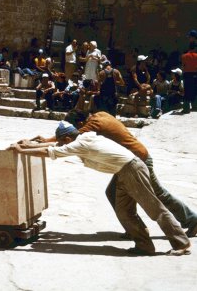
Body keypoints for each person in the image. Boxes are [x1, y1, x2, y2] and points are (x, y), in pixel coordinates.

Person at [10, 121, 191, 256]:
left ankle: (181, 244)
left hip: (132, 169)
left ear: (67, 138)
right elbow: (56, 146)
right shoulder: (83, 138)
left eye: (63, 141)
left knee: (153, 207)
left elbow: (52, 152)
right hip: (123, 171)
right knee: (124, 211)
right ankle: (144, 246)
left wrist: (21, 150)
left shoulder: (80, 144)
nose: (62, 144)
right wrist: (29, 145)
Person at [181, 42, 197, 113]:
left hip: (187, 75)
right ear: (195, 48)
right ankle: (195, 106)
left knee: (187, 91)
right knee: (195, 90)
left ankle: (186, 108)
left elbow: (183, 66)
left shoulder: (184, 56)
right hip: (195, 74)